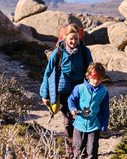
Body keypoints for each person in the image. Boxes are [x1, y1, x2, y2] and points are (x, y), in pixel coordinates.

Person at [40, 23, 93, 158]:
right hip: (63, 91)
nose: (74, 42)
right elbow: (48, 73)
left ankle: (80, 149)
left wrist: (93, 90)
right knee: (68, 121)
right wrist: (45, 94)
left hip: (81, 90)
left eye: (76, 39)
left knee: (81, 119)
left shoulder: (84, 51)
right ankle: (71, 148)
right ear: (65, 38)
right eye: (71, 39)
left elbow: (91, 71)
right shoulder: (58, 52)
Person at [68, 62, 110, 159]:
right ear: (88, 76)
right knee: (79, 152)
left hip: (94, 125)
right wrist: (72, 108)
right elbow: (71, 99)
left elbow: (105, 111)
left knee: (92, 151)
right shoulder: (80, 88)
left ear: (102, 78)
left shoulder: (103, 92)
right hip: (79, 124)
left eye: (99, 79)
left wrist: (103, 126)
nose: (95, 81)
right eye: (93, 78)